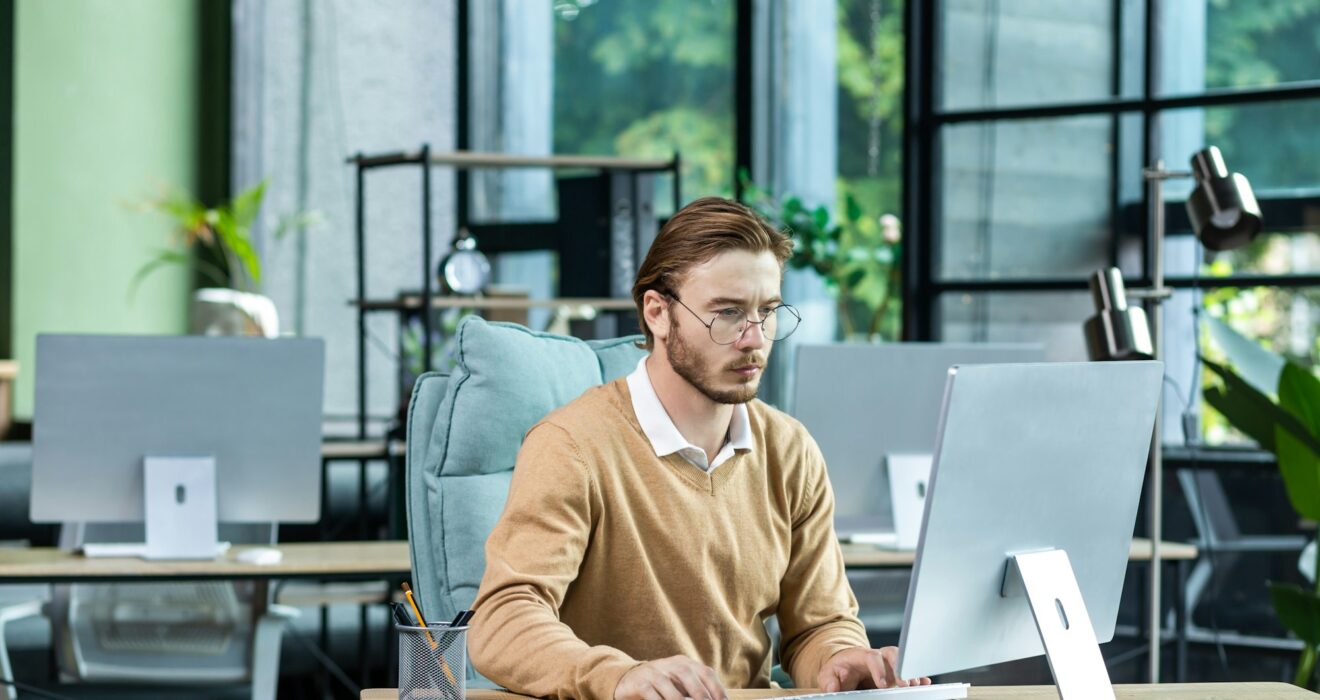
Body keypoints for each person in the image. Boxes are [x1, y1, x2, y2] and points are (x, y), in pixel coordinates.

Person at [468, 197, 929, 699]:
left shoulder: (790, 450)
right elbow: (502, 620)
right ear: (658, 313)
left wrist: (841, 660)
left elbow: (818, 625)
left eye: (768, 312)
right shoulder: (572, 447)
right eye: (728, 313)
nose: (754, 339)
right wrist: (617, 676)